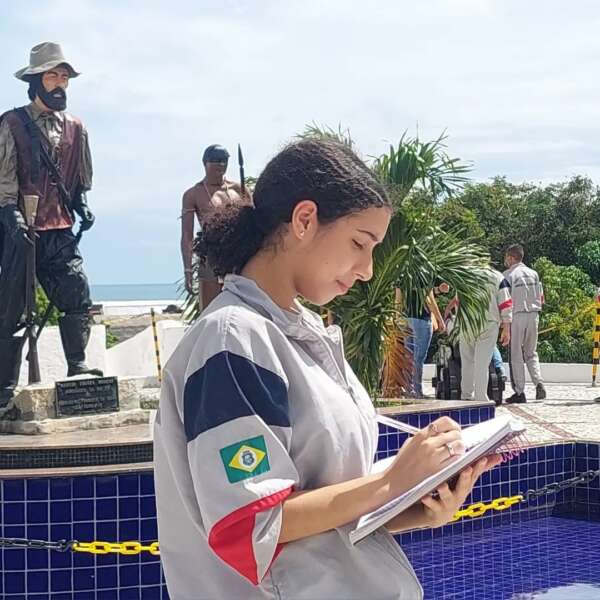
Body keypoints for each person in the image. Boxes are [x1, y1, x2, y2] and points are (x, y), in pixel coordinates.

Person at [154, 139, 499, 600]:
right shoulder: (232, 340)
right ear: (304, 220)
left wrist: (417, 506)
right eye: (360, 243)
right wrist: (391, 481)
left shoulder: (300, 335)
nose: (367, 270)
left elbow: (323, 510)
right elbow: (250, 526)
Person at [0, 42, 101, 405]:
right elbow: (4, 180)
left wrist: (82, 205)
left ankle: (77, 366)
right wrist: (11, 217)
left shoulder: (76, 128)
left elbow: (79, 180)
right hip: (20, 231)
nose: (60, 83)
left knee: (76, 294)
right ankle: (4, 388)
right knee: (10, 310)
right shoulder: (12, 123)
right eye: (52, 76)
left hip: (59, 229)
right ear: (36, 81)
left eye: (64, 77)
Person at [180, 144, 249, 310]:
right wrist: (188, 270)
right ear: (205, 163)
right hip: (211, 258)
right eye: (215, 160)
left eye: (224, 160)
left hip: (239, 257)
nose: (221, 164)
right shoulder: (193, 194)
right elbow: (187, 235)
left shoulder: (238, 189)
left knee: (245, 310)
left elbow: (254, 221)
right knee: (210, 312)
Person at [459, 269, 512, 402]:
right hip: (488, 322)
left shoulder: (464, 274)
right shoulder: (497, 276)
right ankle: (480, 397)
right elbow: (506, 303)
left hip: (467, 322)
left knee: (467, 361)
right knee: (482, 364)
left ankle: (466, 395)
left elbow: (458, 300)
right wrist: (506, 328)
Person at [503, 244, 546, 403]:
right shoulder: (534, 274)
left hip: (516, 316)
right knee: (531, 352)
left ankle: (519, 392)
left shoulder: (508, 275)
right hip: (534, 315)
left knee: (516, 355)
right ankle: (539, 382)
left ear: (511, 257)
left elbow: (505, 300)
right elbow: (541, 298)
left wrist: (504, 322)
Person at [403, 283, 448, 398]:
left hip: (407, 319)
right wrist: (440, 320)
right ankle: (417, 391)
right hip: (422, 319)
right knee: (418, 358)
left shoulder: (403, 275)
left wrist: (438, 289)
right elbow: (429, 299)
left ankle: (408, 390)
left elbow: (399, 298)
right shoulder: (425, 274)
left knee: (409, 357)